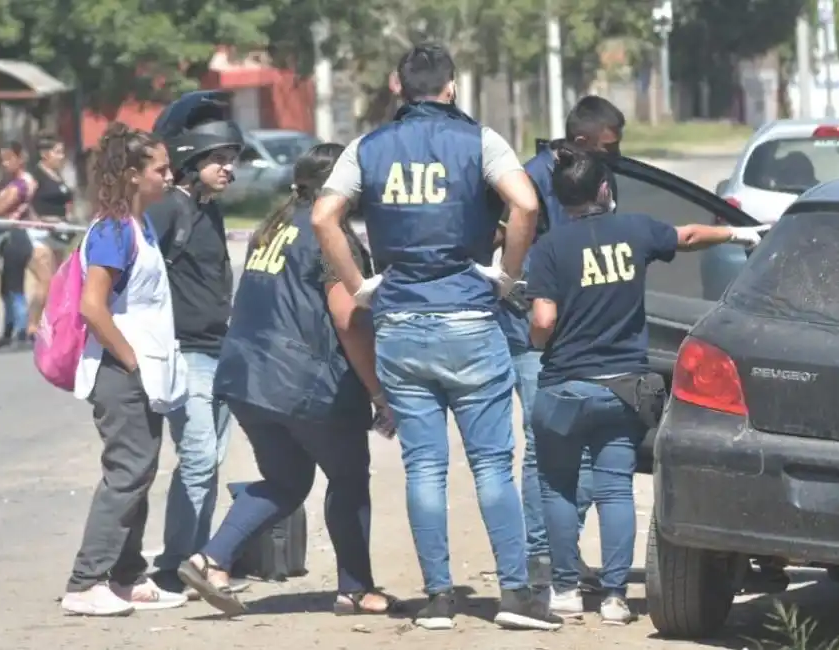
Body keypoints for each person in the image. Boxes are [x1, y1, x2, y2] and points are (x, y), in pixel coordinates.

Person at [312, 43, 561, 632]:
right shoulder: (480, 140)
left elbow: (325, 216)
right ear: (451, 87)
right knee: (492, 466)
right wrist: (508, 275)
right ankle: (516, 595)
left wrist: (361, 284)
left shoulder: (366, 148)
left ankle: (440, 599)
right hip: (470, 320)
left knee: (424, 467)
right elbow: (525, 203)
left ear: (398, 87)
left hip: (399, 324)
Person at [525, 142, 768, 624]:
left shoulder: (549, 248)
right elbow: (692, 234)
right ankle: (616, 598)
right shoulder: (634, 230)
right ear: (603, 189)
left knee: (556, 488)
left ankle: (566, 591)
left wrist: (536, 336)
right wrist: (743, 233)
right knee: (616, 489)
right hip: (624, 388)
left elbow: (544, 319)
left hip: (564, 387)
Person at [177, 143, 402, 617]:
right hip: (302, 382)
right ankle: (356, 588)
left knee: (286, 480)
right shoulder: (329, 236)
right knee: (347, 478)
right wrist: (379, 393)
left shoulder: (272, 227)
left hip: (245, 377)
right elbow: (347, 320)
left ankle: (211, 558)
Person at [502, 96, 627, 599]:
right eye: (609, 145)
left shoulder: (599, 173)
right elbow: (510, 247)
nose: (618, 154)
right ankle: (542, 556)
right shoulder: (531, 180)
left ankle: (561, 553)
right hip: (537, 335)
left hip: (584, 336)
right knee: (545, 449)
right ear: (581, 141)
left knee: (589, 453)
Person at [61, 122, 186, 616]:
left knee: (140, 470)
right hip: (120, 374)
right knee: (127, 472)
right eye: (160, 168)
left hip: (141, 374)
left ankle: (127, 576)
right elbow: (93, 306)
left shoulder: (140, 225)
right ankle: (85, 581)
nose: (169, 176)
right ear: (133, 175)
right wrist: (132, 361)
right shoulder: (113, 230)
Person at [146, 91, 243, 597]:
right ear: (191, 159)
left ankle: (195, 561)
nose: (230, 169)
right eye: (220, 159)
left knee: (209, 461)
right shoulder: (167, 210)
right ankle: (170, 568)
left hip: (218, 351)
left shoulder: (209, 211)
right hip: (186, 355)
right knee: (200, 458)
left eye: (233, 159)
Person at [0, 141, 38, 352]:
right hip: (7, 237)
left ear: (19, 158)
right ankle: (8, 330)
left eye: (9, 158)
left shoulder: (23, 182)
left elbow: (0, 207)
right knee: (5, 287)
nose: (5, 164)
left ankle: (22, 330)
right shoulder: (9, 182)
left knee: (15, 287)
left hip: (16, 237)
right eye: (2, 159)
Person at [27, 134, 77, 337]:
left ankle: (52, 323)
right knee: (45, 282)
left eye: (62, 152)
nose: (61, 156)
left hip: (60, 233)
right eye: (57, 152)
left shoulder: (59, 176)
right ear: (45, 154)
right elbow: (25, 200)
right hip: (39, 233)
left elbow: (66, 201)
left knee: (59, 282)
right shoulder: (35, 176)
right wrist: (38, 219)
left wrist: (68, 217)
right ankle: (32, 324)